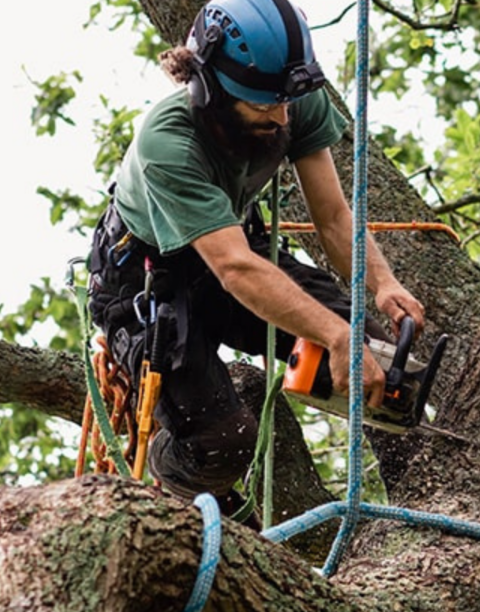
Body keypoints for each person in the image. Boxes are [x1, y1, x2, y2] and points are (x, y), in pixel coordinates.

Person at [87, 0, 424, 519]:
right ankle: (171, 470)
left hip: (235, 253)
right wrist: (334, 335)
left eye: (287, 101)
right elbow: (235, 269)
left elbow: (332, 216)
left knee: (377, 363)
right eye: (265, 105)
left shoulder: (288, 95)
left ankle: (415, 489)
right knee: (223, 439)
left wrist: (381, 284)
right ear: (208, 89)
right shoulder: (168, 142)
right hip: (149, 285)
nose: (282, 116)